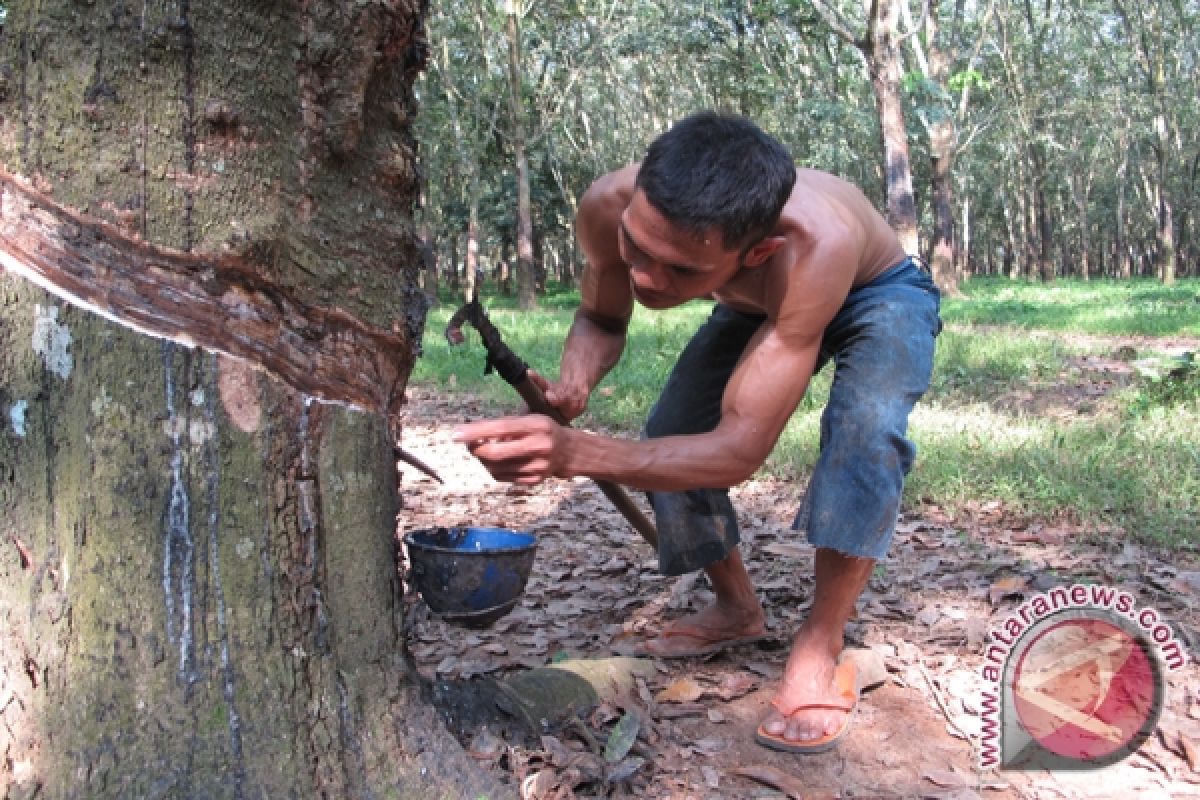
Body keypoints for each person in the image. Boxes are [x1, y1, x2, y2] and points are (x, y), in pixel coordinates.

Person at [454, 111, 942, 753]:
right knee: (675, 429)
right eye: (637, 250)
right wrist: (575, 386)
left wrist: (578, 453)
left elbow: (739, 448)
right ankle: (737, 609)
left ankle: (820, 640)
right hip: (753, 299)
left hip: (875, 291)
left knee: (866, 435)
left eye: (681, 272)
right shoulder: (610, 204)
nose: (648, 281)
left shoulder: (810, 247)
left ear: (756, 252)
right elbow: (602, 317)